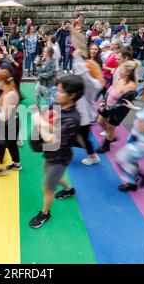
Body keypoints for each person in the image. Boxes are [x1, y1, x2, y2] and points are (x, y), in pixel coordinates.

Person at [29, 75, 84, 228]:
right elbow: (49, 121)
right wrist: (42, 118)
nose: (56, 93)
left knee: (47, 188)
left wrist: (39, 122)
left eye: (60, 91)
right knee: (52, 176)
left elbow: (53, 140)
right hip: (49, 154)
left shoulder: (73, 119)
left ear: (72, 95)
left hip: (59, 158)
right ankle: (69, 189)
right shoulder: (56, 104)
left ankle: (45, 214)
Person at [96, 60, 140, 153]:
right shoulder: (120, 79)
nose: (118, 71)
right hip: (107, 107)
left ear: (127, 72)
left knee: (111, 128)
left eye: (121, 69)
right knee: (100, 122)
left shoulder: (131, 87)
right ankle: (111, 136)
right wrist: (103, 102)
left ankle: (106, 145)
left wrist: (106, 109)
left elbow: (122, 105)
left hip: (117, 112)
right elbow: (109, 91)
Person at [0, 69, 21, 176]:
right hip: (13, 122)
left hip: (8, 125)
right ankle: (17, 164)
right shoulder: (10, 90)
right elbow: (6, 109)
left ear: (2, 81)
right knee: (12, 145)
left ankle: (1, 168)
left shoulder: (8, 95)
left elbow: (4, 117)